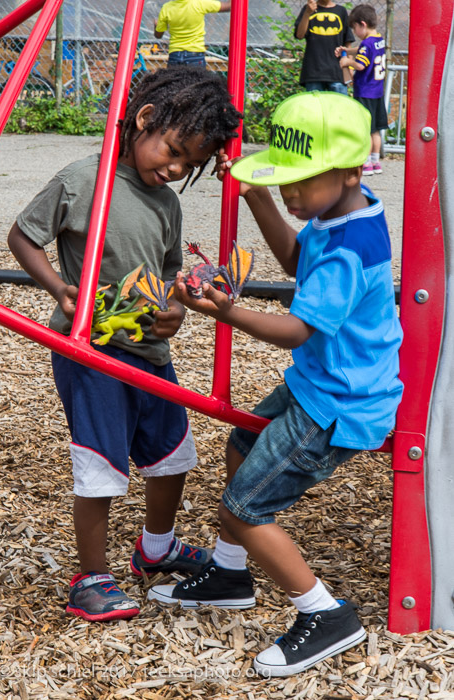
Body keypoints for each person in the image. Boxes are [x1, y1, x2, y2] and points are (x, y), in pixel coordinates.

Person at [147, 91, 404, 677]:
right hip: (322, 381)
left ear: (346, 171)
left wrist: (225, 311)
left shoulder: (347, 248)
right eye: (281, 181)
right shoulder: (340, 211)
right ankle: (233, 573)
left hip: (339, 403)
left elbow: (294, 328)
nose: (290, 194)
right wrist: (260, 196)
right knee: (240, 446)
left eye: (297, 183)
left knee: (242, 509)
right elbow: (295, 264)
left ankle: (325, 614)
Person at [7, 67, 242, 623]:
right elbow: (23, 234)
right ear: (144, 121)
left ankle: (156, 547)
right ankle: (90, 578)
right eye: (175, 150)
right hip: (91, 350)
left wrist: (175, 311)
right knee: (100, 463)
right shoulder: (83, 179)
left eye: (191, 163)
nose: (177, 168)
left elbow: (167, 274)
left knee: (172, 454)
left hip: (150, 354)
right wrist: (59, 288)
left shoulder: (166, 203)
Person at [336, 4, 388, 175]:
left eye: (355, 28)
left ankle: (365, 163)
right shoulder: (379, 40)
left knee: (364, 128)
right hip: (377, 93)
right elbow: (364, 51)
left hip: (364, 93)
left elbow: (360, 64)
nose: (355, 32)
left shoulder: (366, 44)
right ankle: (376, 162)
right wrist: (349, 50)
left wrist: (347, 62)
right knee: (375, 130)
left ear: (362, 24)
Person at [294, 0, 354, 93]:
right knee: (315, 106)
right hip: (314, 71)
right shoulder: (308, 9)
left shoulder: (341, 11)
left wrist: (350, 66)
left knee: (339, 105)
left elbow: (347, 41)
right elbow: (300, 35)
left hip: (337, 72)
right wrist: (307, 13)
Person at [154, 0, 231, 68]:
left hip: (175, 54)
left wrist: (156, 25)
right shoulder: (199, 4)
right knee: (197, 82)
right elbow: (229, 6)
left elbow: (158, 35)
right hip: (195, 54)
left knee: (175, 83)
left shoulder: (166, 8)